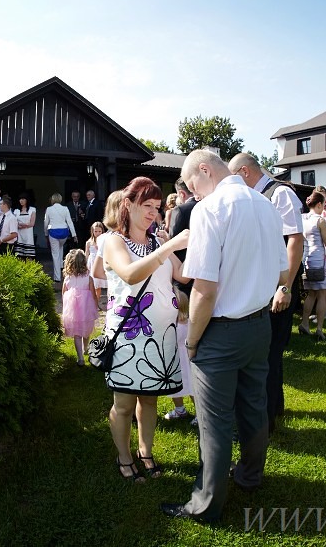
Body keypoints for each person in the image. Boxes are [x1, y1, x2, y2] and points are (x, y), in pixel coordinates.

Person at [161, 149, 288, 523]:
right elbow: (282, 270)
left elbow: (204, 288)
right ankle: (250, 475)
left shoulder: (210, 208)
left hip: (222, 329)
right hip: (259, 325)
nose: (192, 193)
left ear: (205, 170)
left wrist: (193, 340)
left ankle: (206, 504)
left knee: (214, 421)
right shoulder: (264, 204)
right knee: (252, 406)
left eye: (192, 185)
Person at [102, 177, 190, 484]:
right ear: (128, 204)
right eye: (146, 205)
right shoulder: (113, 241)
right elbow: (130, 274)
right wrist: (169, 247)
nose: (153, 213)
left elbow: (183, 275)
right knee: (124, 404)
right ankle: (124, 456)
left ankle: (146, 451)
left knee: (150, 399)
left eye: (156, 206)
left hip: (160, 336)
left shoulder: (157, 242)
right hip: (129, 335)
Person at [228, 153, 303, 434]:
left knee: (267, 357)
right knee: (270, 354)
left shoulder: (279, 193)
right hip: (266, 286)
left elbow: (295, 241)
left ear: (245, 172)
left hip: (277, 288)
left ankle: (266, 420)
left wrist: (284, 288)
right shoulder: (259, 197)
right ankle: (275, 407)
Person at [298, 191, 326, 341]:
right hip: (319, 261)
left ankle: (304, 323)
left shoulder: (303, 218)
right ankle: (319, 328)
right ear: (319, 204)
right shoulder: (320, 220)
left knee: (310, 294)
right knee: (322, 295)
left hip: (306, 260)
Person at [163, 287, 198, 426]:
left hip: (182, 360)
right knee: (180, 386)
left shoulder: (176, 325)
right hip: (181, 360)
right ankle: (180, 410)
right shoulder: (189, 322)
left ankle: (196, 413)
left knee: (190, 387)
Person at [61, 249, 98, 366]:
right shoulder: (88, 278)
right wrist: (96, 305)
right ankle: (85, 348)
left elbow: (63, 294)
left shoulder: (68, 278)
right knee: (86, 330)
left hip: (73, 311)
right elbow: (93, 294)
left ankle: (80, 358)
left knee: (77, 334)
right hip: (86, 309)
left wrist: (66, 307)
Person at [168, 176, 198, 296]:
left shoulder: (181, 210)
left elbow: (174, 241)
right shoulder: (208, 206)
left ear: (181, 193)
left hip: (182, 270)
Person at [45, 193, 77, 282]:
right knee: (60, 248)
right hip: (64, 232)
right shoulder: (65, 208)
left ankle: (57, 277)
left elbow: (46, 222)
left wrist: (46, 233)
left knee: (55, 254)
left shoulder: (49, 209)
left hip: (53, 232)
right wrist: (74, 234)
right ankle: (61, 267)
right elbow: (70, 222)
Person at [85, 221, 106, 308]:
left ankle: (95, 304)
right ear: (92, 231)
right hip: (91, 263)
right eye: (95, 231)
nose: (97, 233)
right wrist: (85, 266)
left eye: (99, 231)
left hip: (100, 263)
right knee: (92, 285)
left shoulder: (104, 241)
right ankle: (91, 303)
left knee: (99, 286)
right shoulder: (89, 242)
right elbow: (86, 254)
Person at [14, 194, 37, 260]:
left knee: (29, 255)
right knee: (19, 255)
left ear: (27, 200)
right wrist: (18, 226)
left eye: (23, 199)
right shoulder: (16, 211)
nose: (21, 201)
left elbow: (32, 223)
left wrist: (25, 225)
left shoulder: (32, 209)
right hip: (19, 234)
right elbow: (14, 222)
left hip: (28, 234)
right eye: (20, 199)